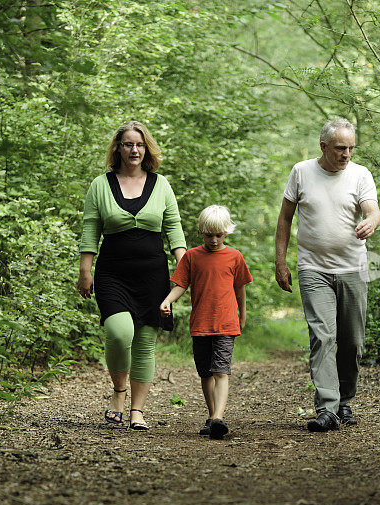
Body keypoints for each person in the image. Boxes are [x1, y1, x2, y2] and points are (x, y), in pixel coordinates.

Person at [77, 120, 187, 431]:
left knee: (144, 344)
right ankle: (118, 392)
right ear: (118, 148)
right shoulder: (101, 184)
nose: (134, 149)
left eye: (139, 144)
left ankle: (137, 411)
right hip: (112, 272)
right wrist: (85, 270)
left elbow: (174, 229)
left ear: (146, 148)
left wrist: (185, 267)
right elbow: (90, 230)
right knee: (119, 332)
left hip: (153, 274)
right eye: (127, 144)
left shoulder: (161, 184)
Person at [274, 117, 380, 432]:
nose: (346, 154)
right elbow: (284, 219)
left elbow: (372, 208)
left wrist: (371, 220)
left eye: (350, 148)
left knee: (352, 341)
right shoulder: (301, 172)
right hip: (313, 268)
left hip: (352, 268)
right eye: (339, 148)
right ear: (324, 147)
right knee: (323, 337)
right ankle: (327, 409)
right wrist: (281, 262)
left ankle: (345, 401)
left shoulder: (361, 174)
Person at [159, 205, 252, 440]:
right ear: (201, 231)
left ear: (226, 233)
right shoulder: (192, 256)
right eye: (209, 235)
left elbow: (239, 288)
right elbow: (181, 283)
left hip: (226, 323)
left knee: (221, 370)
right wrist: (168, 301)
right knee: (205, 373)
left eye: (218, 235)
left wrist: (243, 314)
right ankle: (212, 417)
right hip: (201, 323)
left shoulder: (234, 257)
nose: (213, 240)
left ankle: (219, 417)